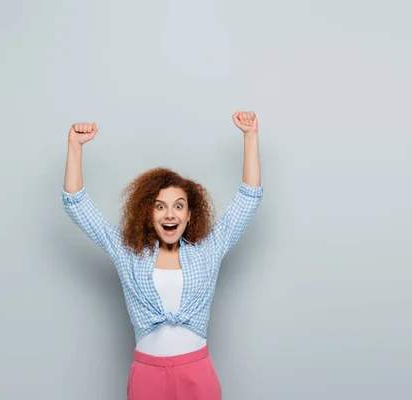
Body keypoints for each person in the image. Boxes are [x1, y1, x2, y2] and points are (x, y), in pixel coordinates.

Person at [61, 110, 263, 400]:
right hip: (147, 375)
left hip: (197, 374)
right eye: (160, 206)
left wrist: (250, 136)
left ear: (191, 215)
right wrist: (75, 147)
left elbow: (249, 198)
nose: (170, 214)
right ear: (149, 214)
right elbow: (76, 204)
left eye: (179, 206)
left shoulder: (208, 250)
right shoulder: (128, 253)